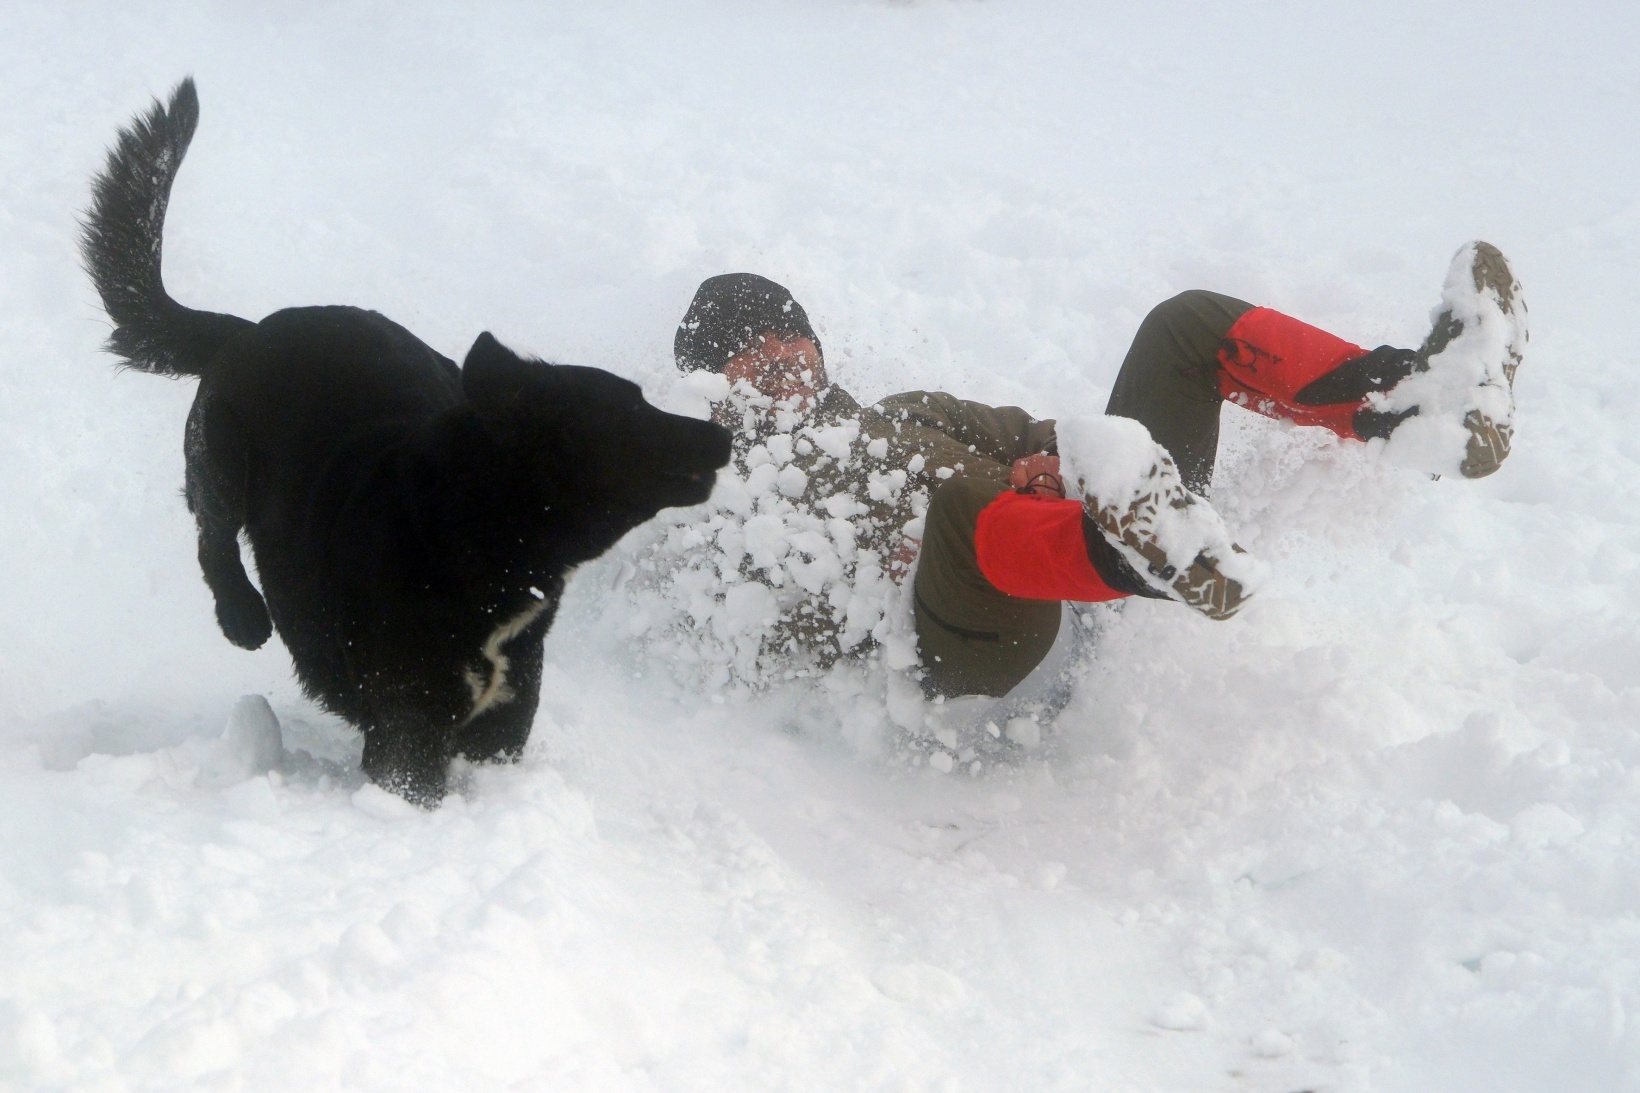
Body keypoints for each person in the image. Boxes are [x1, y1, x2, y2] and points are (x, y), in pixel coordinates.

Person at [670, 243, 1526, 703]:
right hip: (962, 660)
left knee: (1182, 326)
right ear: (713, 392)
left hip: (1084, 581)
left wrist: (1058, 465)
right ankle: (1134, 549)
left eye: (790, 336)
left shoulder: (907, 412)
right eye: (746, 352)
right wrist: (872, 586)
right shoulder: (722, 504)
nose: (778, 356)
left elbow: (1072, 437)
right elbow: (757, 650)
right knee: (967, 506)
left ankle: (1419, 402)